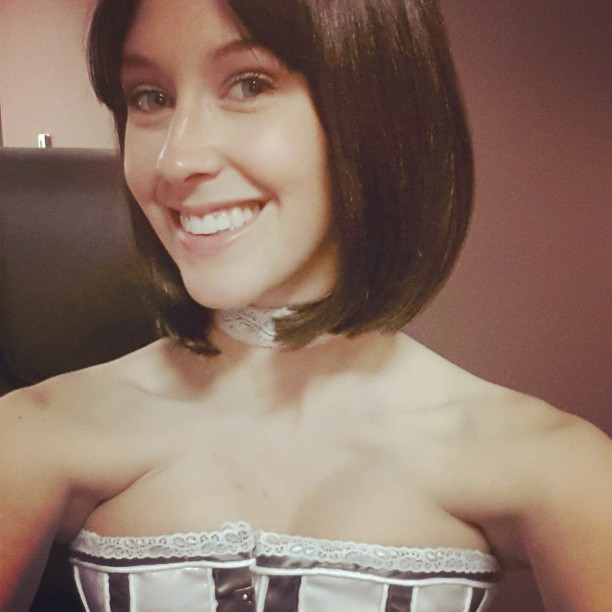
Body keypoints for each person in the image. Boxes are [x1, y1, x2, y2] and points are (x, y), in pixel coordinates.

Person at [1, 0, 610, 610]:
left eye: (249, 84)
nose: (176, 161)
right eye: (150, 97)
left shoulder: (557, 464)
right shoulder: (31, 433)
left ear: (380, 112)